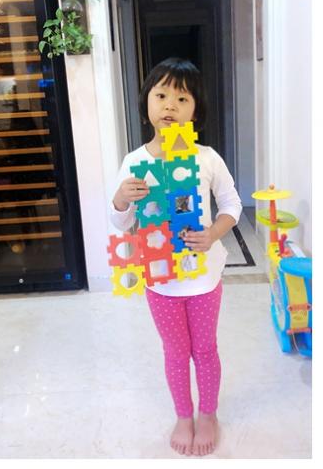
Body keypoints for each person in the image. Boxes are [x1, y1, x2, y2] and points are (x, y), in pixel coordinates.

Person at [110, 57, 242, 456]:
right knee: (175, 352)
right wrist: (120, 199)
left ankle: (208, 414)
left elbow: (232, 205)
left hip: (203, 279)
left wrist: (212, 234)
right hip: (160, 282)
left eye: (182, 98)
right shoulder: (134, 162)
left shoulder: (207, 158)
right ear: (146, 104)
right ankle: (183, 415)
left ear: (195, 110)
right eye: (162, 95)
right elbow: (121, 223)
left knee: (205, 350)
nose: (170, 105)